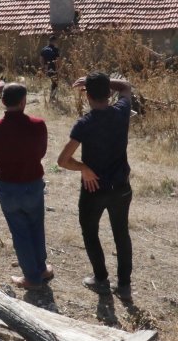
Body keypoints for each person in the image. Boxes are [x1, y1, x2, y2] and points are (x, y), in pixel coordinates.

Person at [57, 72, 134, 300]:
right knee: (121, 234)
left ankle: (100, 279)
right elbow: (127, 87)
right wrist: (105, 83)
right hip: (121, 187)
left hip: (93, 189)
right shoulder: (121, 113)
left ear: (87, 96)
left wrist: (84, 168)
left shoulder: (84, 124)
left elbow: (63, 161)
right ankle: (125, 286)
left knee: (91, 233)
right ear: (109, 93)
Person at [0, 83, 52, 290]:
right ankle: (41, 269)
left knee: (20, 232)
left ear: (3, 102)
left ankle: (31, 277)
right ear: (23, 102)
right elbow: (41, 153)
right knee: (36, 226)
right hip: (32, 183)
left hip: (8, 186)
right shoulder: (38, 125)